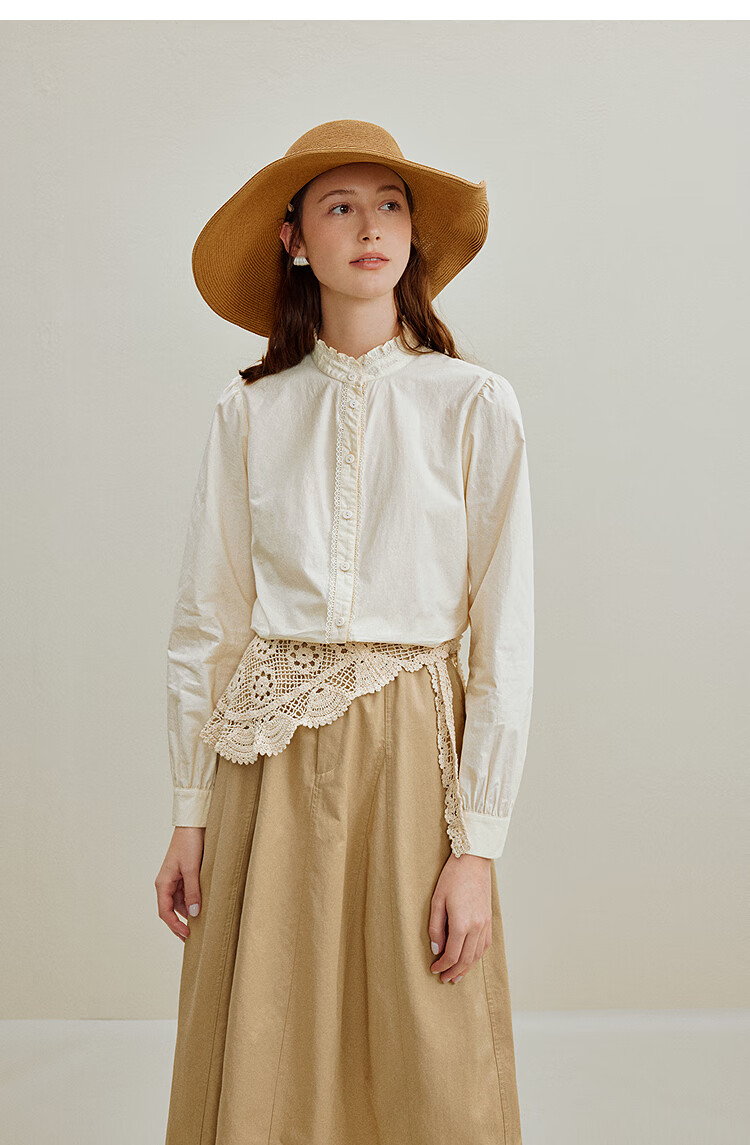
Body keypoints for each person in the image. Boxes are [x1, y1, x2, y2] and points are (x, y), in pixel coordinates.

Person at [156, 118, 534, 1145]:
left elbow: (504, 640)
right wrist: (189, 811)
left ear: (412, 235)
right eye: (340, 206)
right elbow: (207, 621)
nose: (371, 227)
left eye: (390, 205)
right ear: (294, 239)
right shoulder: (249, 412)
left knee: (425, 1050)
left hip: (413, 759)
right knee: (267, 1039)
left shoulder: (474, 405)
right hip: (266, 765)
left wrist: (477, 846)